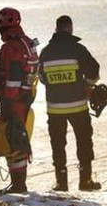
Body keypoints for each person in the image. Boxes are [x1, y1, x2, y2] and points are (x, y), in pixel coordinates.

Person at [38, 15, 102, 191]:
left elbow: (42, 78)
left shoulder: (45, 52)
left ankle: (61, 182)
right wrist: (88, 85)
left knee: (57, 144)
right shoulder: (78, 49)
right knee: (84, 142)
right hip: (78, 106)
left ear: (56, 29)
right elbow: (94, 70)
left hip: (55, 108)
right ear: (70, 28)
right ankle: (85, 180)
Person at [0, 7, 39, 194]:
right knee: (15, 136)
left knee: (12, 137)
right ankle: (18, 183)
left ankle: (18, 185)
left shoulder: (11, 47)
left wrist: (7, 99)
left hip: (14, 99)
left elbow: (13, 76)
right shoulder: (26, 43)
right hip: (24, 97)